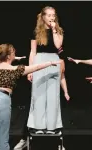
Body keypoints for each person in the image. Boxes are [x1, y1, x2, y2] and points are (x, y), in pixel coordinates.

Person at [0, 43, 61, 150]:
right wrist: (50, 63)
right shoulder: (14, 69)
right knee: (2, 140)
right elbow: (35, 67)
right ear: (9, 56)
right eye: (13, 53)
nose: (15, 54)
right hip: (1, 99)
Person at [13, 59, 69, 150]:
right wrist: (30, 73)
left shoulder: (59, 61)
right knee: (31, 113)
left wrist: (65, 91)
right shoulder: (39, 59)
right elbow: (32, 56)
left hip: (52, 92)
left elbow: (62, 76)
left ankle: (59, 144)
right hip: (39, 91)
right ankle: (24, 139)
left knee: (56, 116)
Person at [27, 6, 64, 134]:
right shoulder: (36, 32)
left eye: (53, 15)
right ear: (43, 17)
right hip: (39, 60)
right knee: (39, 94)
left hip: (54, 60)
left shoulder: (58, 31)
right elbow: (32, 52)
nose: (51, 17)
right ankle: (38, 126)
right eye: (48, 15)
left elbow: (58, 45)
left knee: (53, 95)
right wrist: (30, 70)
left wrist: (54, 29)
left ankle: (51, 127)